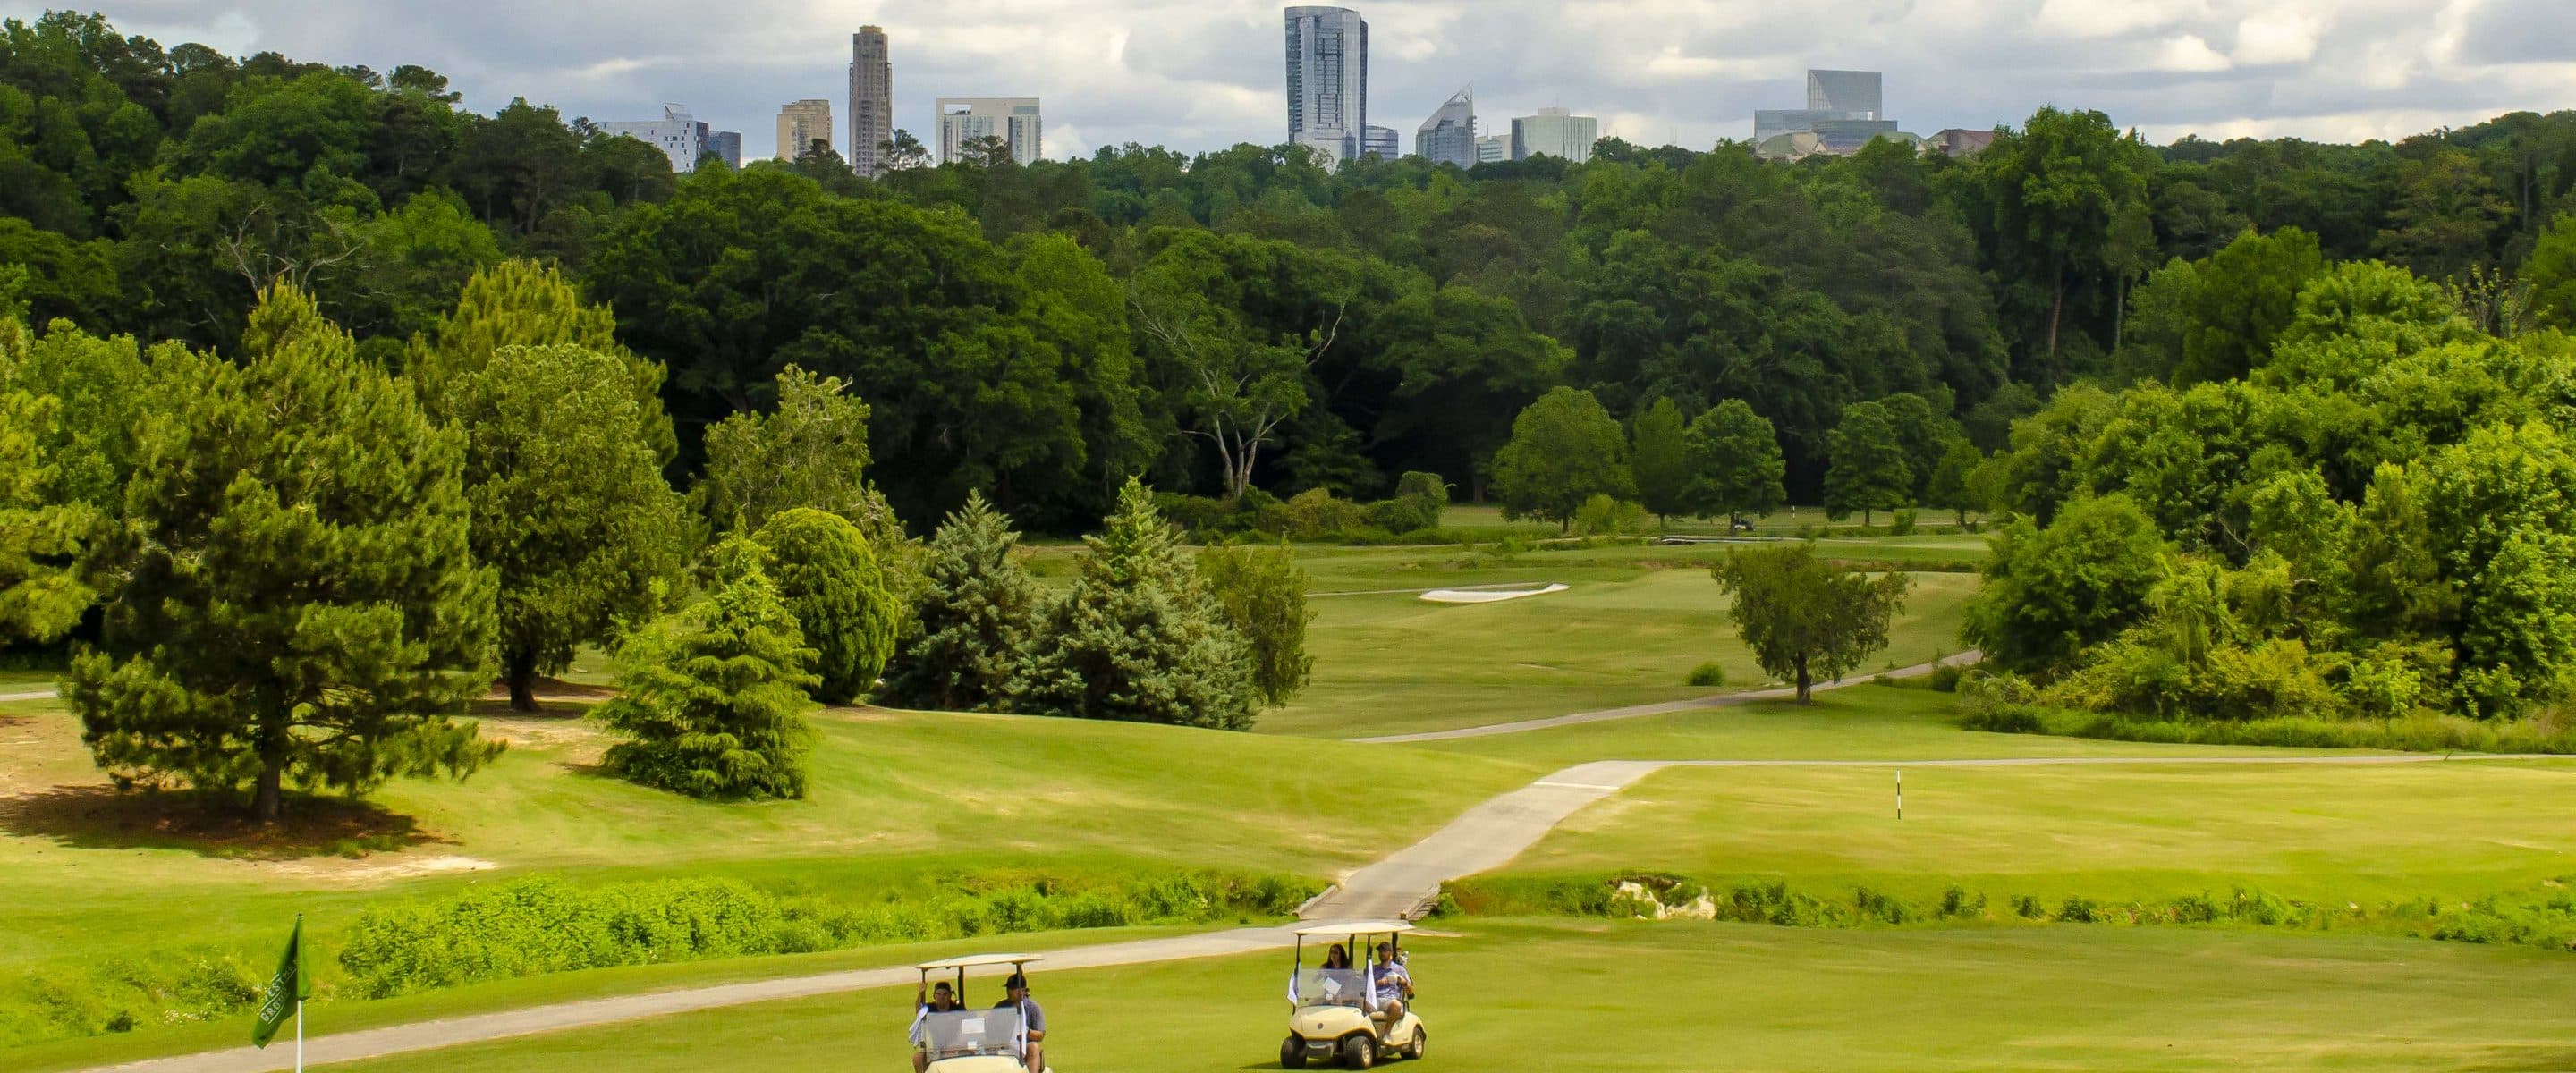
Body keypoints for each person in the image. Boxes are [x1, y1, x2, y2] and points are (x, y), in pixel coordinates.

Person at [998, 972, 1046, 1073]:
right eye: (1008, 988)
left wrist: (1027, 1032)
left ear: (1022, 991)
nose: (1009, 991)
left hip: (1024, 1046)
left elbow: (1040, 1035)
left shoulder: (1033, 1008)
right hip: (1005, 1045)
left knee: (1033, 1047)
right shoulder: (1000, 1007)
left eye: (1012, 989)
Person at [911, 981, 963, 1072]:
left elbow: (968, 1021)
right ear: (934, 996)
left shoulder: (957, 1009)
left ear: (950, 996)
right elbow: (919, 1012)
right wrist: (921, 993)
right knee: (918, 1058)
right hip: (935, 1048)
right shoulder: (929, 1008)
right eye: (938, 994)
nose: (941, 997)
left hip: (955, 1047)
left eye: (945, 994)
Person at [1369, 942, 1412, 1022]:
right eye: (1380, 951)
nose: (1382, 953)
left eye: (1385, 951)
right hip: (1374, 998)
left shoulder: (1399, 970)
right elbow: (1366, 988)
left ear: (1391, 953)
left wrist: (1404, 982)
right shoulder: (1373, 969)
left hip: (1390, 999)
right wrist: (1378, 983)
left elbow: (1411, 993)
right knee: (1357, 1007)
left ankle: (1387, 1033)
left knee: (1396, 1006)